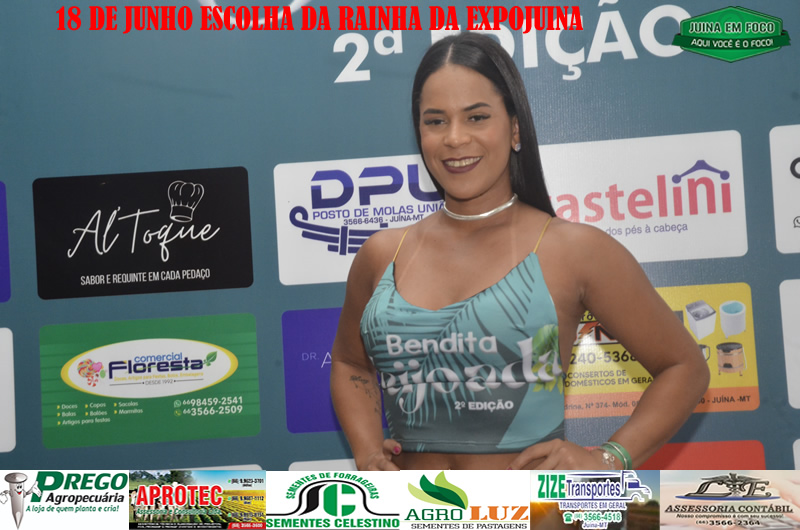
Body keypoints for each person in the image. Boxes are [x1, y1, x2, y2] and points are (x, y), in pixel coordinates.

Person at [330, 32, 709, 471]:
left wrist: (608, 459)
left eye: (476, 117)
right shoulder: (382, 253)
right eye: (435, 121)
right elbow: (349, 362)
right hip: (412, 505)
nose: (455, 138)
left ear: (514, 128)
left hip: (535, 507)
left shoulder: (573, 250)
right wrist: (366, 451)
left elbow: (685, 367)